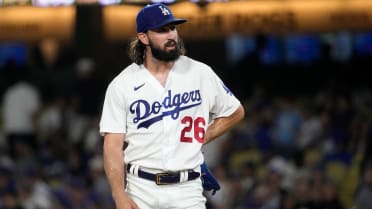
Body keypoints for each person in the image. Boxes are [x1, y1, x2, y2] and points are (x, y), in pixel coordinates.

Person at [99, 3, 245, 209]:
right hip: (141, 188)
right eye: (161, 30)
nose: (171, 35)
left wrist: (202, 137)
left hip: (187, 190)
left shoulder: (200, 73)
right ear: (143, 37)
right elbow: (112, 147)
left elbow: (235, 112)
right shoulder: (122, 84)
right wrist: (118, 194)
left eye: (172, 28)